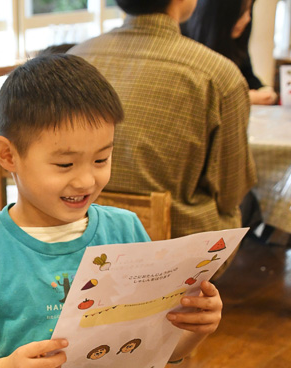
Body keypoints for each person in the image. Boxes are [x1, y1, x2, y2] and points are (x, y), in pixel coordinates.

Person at [0, 54, 223, 368]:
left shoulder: (125, 230)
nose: (86, 180)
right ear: (8, 155)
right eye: (65, 164)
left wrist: (195, 328)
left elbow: (160, 351)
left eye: (101, 159)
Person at [70, 0, 257, 266]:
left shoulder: (74, 60)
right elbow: (231, 193)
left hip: (78, 236)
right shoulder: (219, 74)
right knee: (238, 208)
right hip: (177, 254)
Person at [182, 0, 278, 105]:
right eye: (244, 11)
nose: (248, 18)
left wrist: (265, 91)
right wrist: (246, 98)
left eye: (249, 11)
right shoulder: (186, 48)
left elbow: (250, 78)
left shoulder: (236, 47)